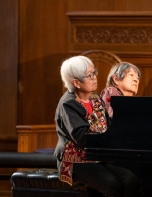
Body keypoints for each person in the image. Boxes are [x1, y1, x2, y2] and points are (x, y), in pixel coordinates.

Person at [53, 55, 140, 197]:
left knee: (131, 180)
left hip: (98, 155)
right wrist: (107, 138)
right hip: (76, 160)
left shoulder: (95, 98)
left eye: (94, 73)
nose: (94, 77)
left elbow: (109, 124)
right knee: (112, 185)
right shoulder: (68, 104)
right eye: (90, 75)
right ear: (76, 82)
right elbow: (81, 137)